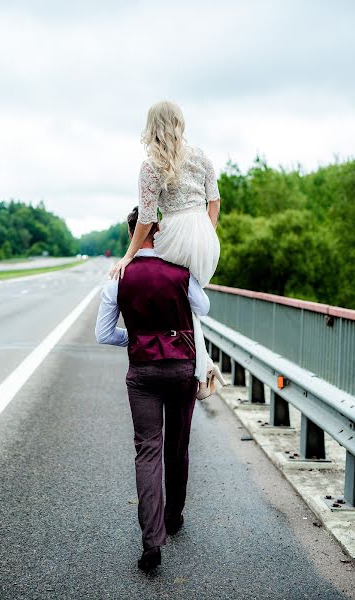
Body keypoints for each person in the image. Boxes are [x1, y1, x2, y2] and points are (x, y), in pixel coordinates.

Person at [95, 206, 210, 574]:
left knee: (147, 452)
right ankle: (174, 516)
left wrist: (138, 339)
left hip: (142, 373)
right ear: (159, 232)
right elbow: (203, 308)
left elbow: (103, 334)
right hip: (180, 369)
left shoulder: (119, 275)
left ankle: (151, 542)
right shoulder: (179, 271)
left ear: (133, 234)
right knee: (178, 445)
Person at [110, 99, 227, 398]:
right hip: (204, 233)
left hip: (175, 231)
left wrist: (129, 255)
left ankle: (196, 368)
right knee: (190, 301)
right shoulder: (201, 156)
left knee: (170, 294)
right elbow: (214, 200)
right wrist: (206, 233)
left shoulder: (151, 166)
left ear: (152, 127)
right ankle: (203, 370)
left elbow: (147, 219)